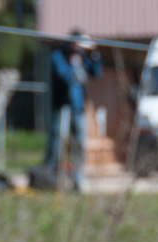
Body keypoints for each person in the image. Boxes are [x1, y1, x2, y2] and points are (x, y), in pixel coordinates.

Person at [43, 30, 102, 191]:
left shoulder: (83, 58)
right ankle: (51, 175)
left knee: (79, 143)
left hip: (78, 108)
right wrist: (73, 64)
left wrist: (94, 54)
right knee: (58, 140)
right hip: (62, 107)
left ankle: (78, 177)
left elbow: (96, 73)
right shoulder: (58, 55)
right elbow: (64, 76)